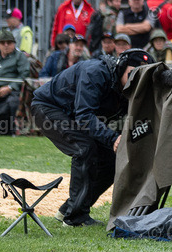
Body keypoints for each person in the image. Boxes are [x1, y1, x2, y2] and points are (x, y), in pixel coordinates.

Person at [31, 48, 153, 227]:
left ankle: (69, 209)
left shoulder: (126, 88)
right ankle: (75, 218)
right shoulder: (95, 72)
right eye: (132, 74)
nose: (136, 82)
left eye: (141, 78)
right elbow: (84, 115)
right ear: (121, 69)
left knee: (113, 161)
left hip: (74, 115)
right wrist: (113, 139)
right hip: (48, 107)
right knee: (84, 148)